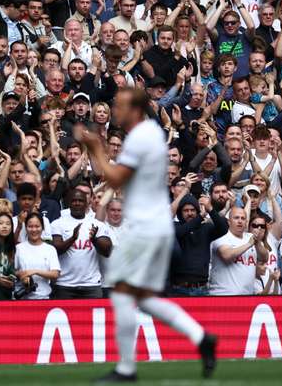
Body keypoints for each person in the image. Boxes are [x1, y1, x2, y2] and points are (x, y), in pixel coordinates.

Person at [76, 88, 217, 381]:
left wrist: (95, 147)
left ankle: (126, 368)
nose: (116, 109)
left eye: (121, 105)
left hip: (143, 227)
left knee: (120, 293)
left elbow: (114, 177)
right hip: (157, 226)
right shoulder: (152, 133)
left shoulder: (140, 137)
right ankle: (201, 337)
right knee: (142, 297)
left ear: (136, 110)